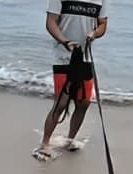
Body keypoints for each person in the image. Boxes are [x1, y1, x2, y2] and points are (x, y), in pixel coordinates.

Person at [33, 0, 108, 161]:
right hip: (63, 55)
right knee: (61, 103)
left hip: (86, 56)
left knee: (83, 103)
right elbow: (51, 22)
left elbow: (102, 24)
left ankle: (70, 140)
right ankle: (44, 143)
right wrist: (65, 41)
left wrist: (94, 34)